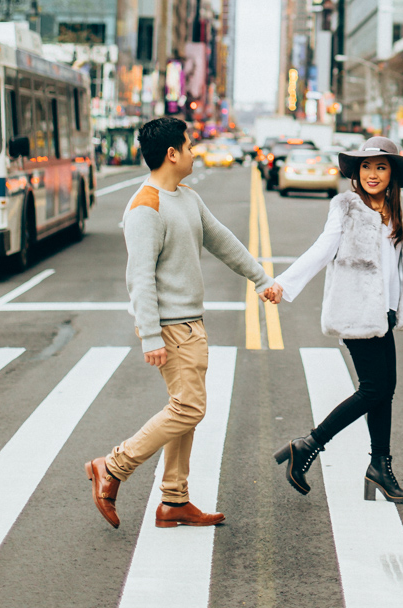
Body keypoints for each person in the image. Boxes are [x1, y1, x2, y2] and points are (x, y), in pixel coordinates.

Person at [85, 117, 274, 530]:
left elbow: (222, 239)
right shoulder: (145, 206)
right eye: (189, 146)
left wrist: (261, 279)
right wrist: (151, 334)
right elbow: (140, 278)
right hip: (171, 328)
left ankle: (174, 500)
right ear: (172, 153)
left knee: (182, 410)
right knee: (189, 409)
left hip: (191, 323)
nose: (194, 152)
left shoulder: (186, 197)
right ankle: (113, 466)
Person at [268, 137, 403, 504]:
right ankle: (309, 444)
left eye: (381, 167)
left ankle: (380, 466)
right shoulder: (346, 207)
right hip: (356, 311)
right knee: (373, 389)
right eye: (366, 167)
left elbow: (395, 267)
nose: (372, 174)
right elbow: (322, 248)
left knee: (386, 390)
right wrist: (283, 283)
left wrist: (397, 307)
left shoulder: (392, 211)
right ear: (356, 172)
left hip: (383, 315)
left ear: (391, 174)